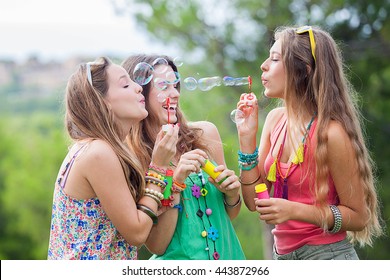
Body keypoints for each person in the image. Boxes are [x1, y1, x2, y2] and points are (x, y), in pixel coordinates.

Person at [235, 25, 383, 260]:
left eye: (274, 59)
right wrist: (246, 139)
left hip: (327, 256)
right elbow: (254, 202)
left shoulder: (330, 133)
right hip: (281, 257)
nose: (263, 65)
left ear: (302, 71)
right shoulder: (275, 120)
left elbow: (359, 216)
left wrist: (294, 210)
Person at [47, 56, 179, 260]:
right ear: (103, 103)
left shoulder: (96, 148)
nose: (137, 88)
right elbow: (137, 233)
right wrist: (159, 167)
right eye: (125, 85)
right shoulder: (99, 153)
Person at [122, 54, 246, 260]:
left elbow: (228, 216)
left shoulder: (205, 134)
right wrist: (176, 183)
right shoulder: (133, 158)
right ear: (141, 93)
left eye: (175, 85)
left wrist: (232, 194)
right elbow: (157, 245)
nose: (175, 94)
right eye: (163, 86)